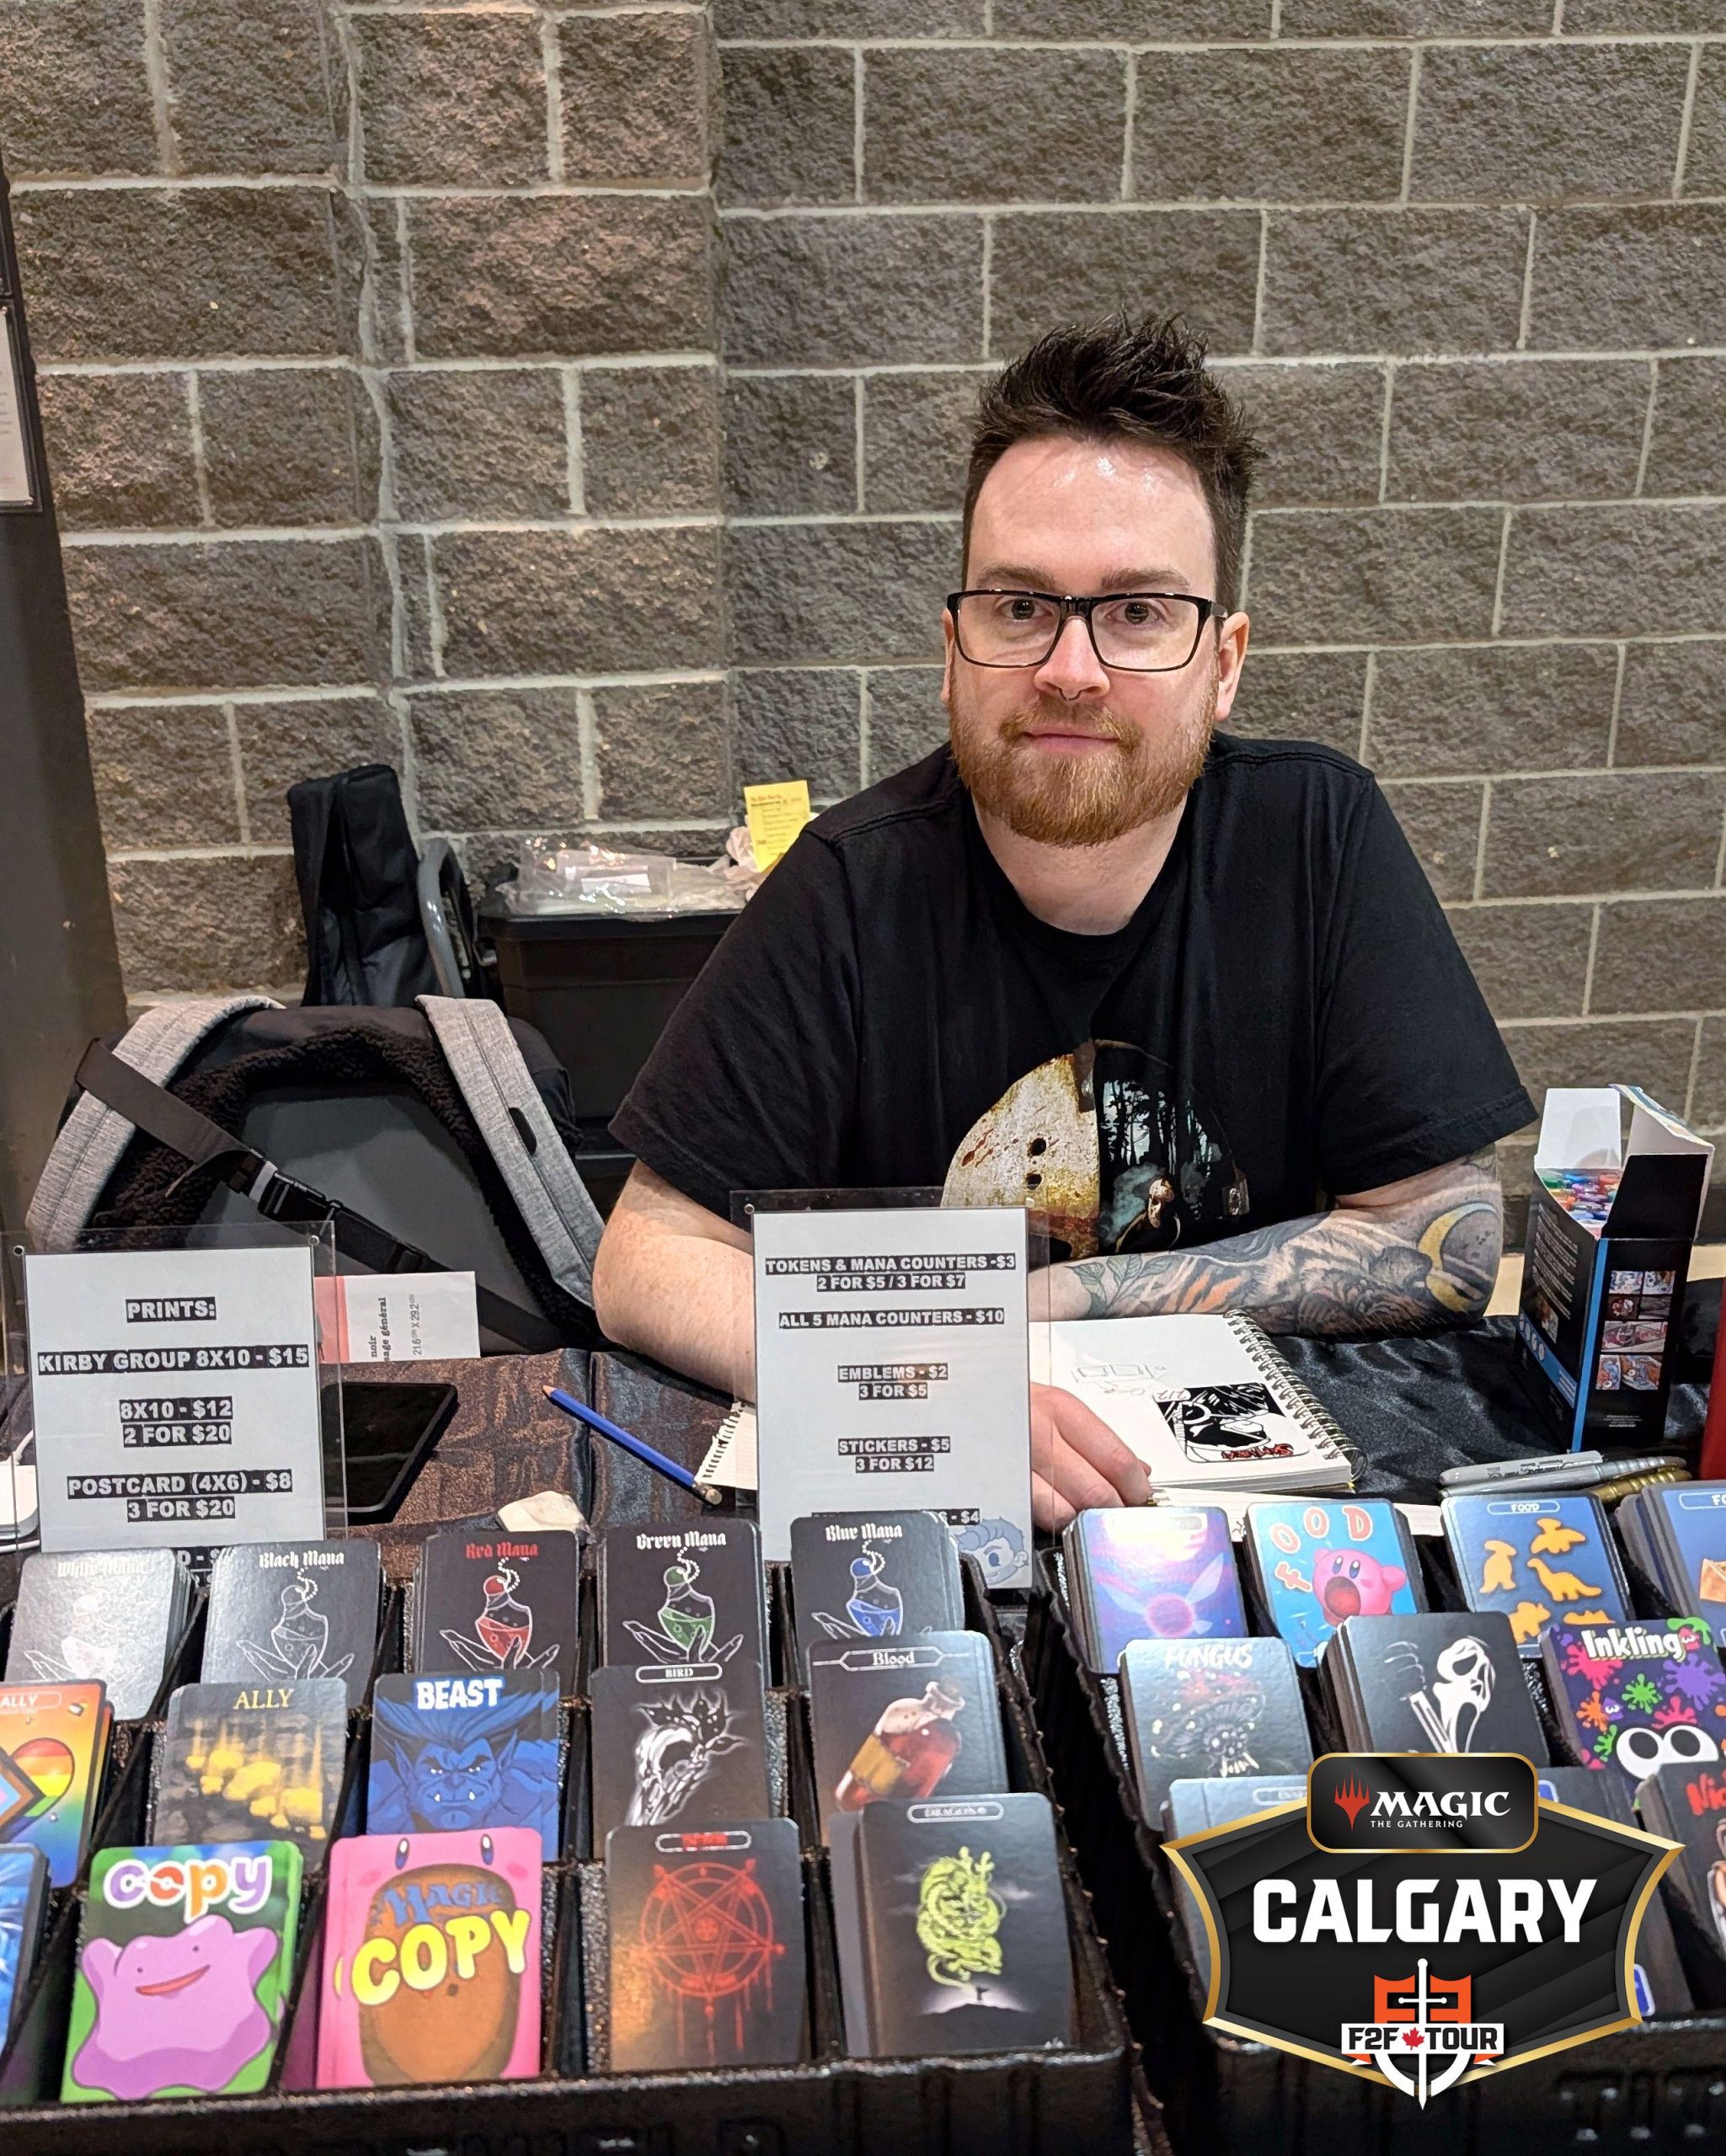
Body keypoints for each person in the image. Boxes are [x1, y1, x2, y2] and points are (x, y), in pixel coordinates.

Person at [593, 313, 1535, 1529]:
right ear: (953, 651)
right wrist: (905, 1378)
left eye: (1137, 611)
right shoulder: (845, 886)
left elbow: (1445, 1238)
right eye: (1019, 607)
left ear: (1224, 662)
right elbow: (646, 1256)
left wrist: (1034, 1304)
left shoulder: (1318, 833)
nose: (1071, 670)